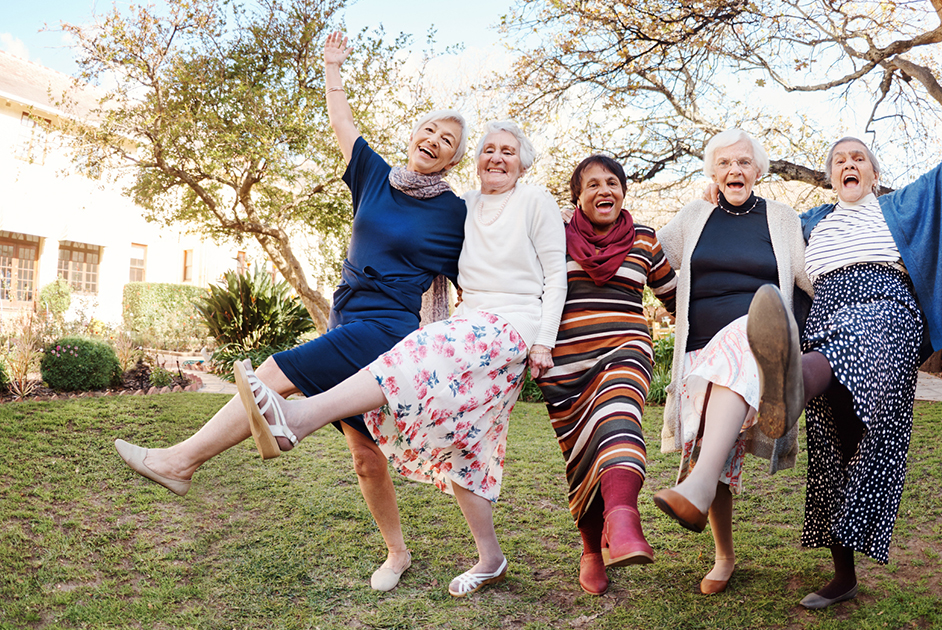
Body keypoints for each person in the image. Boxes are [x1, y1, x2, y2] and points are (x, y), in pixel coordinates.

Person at [114, 31, 470, 593]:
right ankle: (397, 554)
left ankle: (179, 463)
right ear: (413, 135)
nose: (434, 139)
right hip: (347, 315)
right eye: (428, 129)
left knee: (275, 373)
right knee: (364, 457)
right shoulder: (374, 177)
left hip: (389, 330)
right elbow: (342, 124)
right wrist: (332, 66)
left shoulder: (456, 213)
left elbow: (485, 265)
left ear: (454, 158)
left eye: (447, 139)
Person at [232, 118, 567, 598]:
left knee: (418, 348)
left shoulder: (534, 200)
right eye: (488, 149)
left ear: (523, 162)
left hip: (511, 326)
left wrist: (544, 341)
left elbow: (556, 273)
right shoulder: (463, 207)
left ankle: (300, 415)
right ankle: (491, 559)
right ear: (471, 163)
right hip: (467, 323)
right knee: (467, 447)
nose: (496, 157)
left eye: (508, 151)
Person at [745, 62, 942, 609]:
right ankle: (842, 576)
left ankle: (791, 385)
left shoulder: (895, 208)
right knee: (834, 446)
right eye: (839, 160)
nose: (849, 164)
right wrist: (722, 189)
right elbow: (755, 231)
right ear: (829, 176)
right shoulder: (807, 224)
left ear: (871, 172)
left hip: (886, 314)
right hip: (826, 318)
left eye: (858, 158)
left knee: (854, 356)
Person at [650, 129, 812, 595]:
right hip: (699, 352)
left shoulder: (781, 218)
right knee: (711, 448)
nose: (734, 171)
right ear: (712, 172)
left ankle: (696, 489)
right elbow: (648, 253)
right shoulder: (694, 217)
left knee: (749, 327)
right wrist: (572, 223)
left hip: (758, 343)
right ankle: (722, 549)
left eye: (744, 162)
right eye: (725, 163)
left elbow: (807, 277)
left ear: (758, 171)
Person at [534, 155, 677, 595]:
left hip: (625, 349)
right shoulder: (552, 237)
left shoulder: (645, 239)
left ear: (623, 192)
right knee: (581, 461)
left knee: (618, 420)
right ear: (577, 195)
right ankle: (593, 549)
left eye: (612, 183)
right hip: (565, 367)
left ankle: (624, 519)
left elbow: (678, 300)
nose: (604, 191)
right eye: (592, 184)